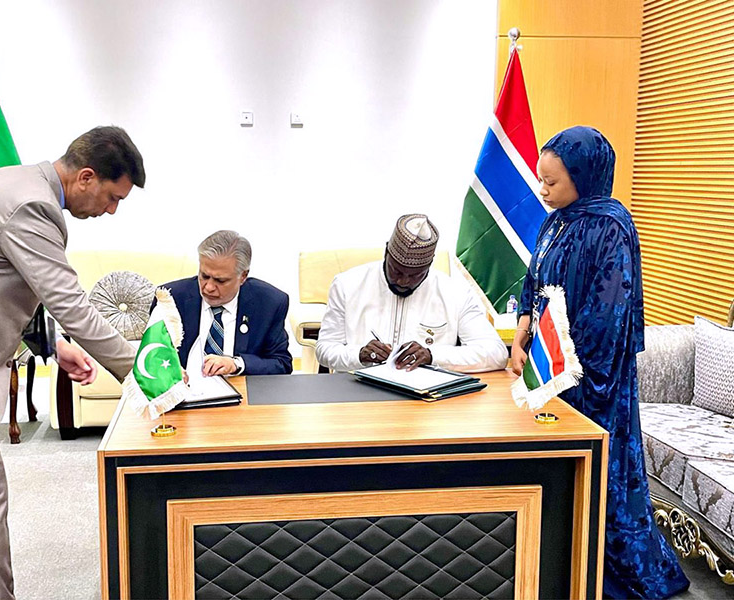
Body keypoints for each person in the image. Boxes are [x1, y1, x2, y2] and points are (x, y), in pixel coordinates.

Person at [0, 125, 145, 599]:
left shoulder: (6, 183)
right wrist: (142, 372)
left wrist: (55, 346)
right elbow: (72, 302)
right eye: (113, 198)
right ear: (86, 177)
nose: (111, 211)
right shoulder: (33, 205)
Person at [511, 126, 689, 599]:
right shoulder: (555, 220)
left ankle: (603, 573)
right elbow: (533, 279)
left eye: (552, 182)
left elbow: (608, 311)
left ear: (584, 177)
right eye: (541, 180)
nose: (543, 191)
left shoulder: (611, 224)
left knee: (599, 476)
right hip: (550, 367)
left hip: (592, 379)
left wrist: (562, 364)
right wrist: (524, 327)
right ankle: (554, 559)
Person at [316, 213, 507, 373]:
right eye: (396, 271)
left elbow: (496, 354)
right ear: (386, 253)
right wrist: (359, 354)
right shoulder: (347, 285)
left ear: (429, 264)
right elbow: (324, 350)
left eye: (415, 275)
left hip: (428, 402)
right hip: (358, 396)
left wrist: (432, 355)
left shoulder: (455, 293)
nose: (403, 281)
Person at [161, 230, 292, 380]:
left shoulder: (269, 303)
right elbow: (151, 356)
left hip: (240, 395)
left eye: (220, 281)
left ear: (243, 276)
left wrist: (236, 364)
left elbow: (281, 364)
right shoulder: (171, 299)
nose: (208, 287)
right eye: (204, 276)